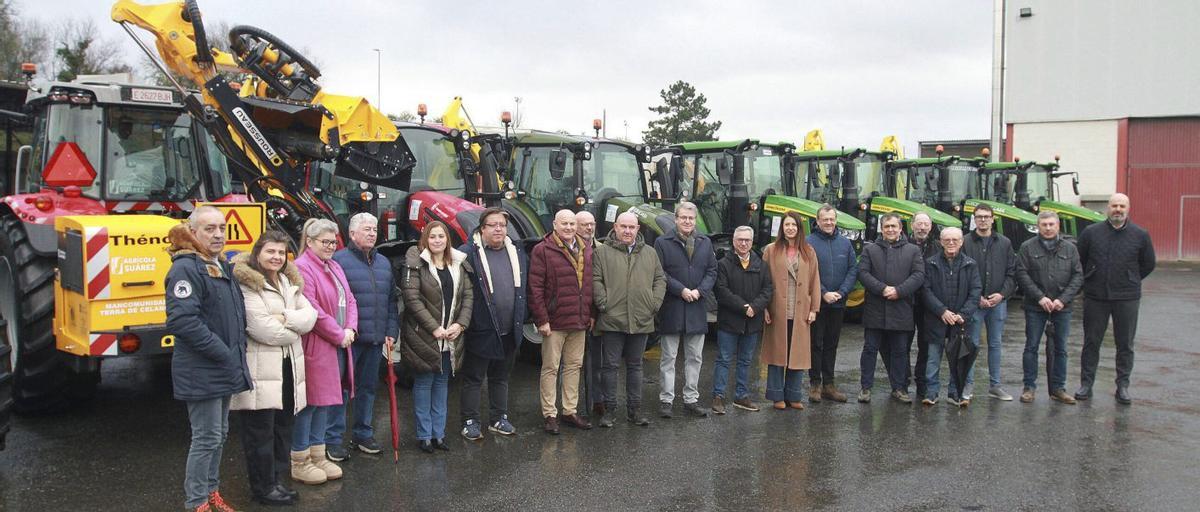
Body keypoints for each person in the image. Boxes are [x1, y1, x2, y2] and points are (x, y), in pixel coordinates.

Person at [165, 205, 252, 512]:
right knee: (206, 438)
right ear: (194, 232)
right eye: (209, 229)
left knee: (220, 434)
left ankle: (212, 492)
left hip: (223, 367)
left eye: (221, 228)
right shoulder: (186, 268)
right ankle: (197, 502)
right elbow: (182, 321)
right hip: (204, 367)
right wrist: (223, 352)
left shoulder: (218, 265)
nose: (217, 235)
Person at [230, 231, 317, 505]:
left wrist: (286, 317)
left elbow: (310, 316)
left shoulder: (288, 281)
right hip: (260, 372)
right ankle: (263, 488)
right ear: (258, 253)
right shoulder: (247, 284)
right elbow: (262, 329)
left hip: (288, 368)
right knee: (260, 434)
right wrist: (294, 328)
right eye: (271, 251)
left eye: (281, 252)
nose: (277, 257)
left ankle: (278, 482)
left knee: (282, 429)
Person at [328, 213, 400, 459]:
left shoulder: (383, 262)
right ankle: (333, 439)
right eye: (367, 229)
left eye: (374, 230)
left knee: (368, 388)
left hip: (376, 338)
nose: (372, 234)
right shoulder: (338, 261)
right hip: (349, 340)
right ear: (352, 233)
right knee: (342, 390)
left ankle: (363, 433)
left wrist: (391, 330)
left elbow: (391, 300)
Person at [398, 221, 473, 452]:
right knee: (424, 384)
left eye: (441, 236)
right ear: (425, 240)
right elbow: (412, 300)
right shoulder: (415, 263)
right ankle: (424, 436)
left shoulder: (458, 263)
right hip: (425, 336)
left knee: (442, 384)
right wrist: (434, 328)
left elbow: (468, 296)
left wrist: (460, 324)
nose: (437, 240)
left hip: (450, 337)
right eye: (432, 237)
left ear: (447, 239)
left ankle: (438, 435)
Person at [292, 218, 357, 484]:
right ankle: (300, 459)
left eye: (333, 242)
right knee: (309, 404)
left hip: (339, 343)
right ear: (310, 241)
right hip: (318, 345)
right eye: (325, 242)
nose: (331, 246)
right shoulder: (302, 267)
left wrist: (351, 328)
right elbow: (312, 309)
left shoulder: (335, 265)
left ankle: (318, 455)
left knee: (327, 402)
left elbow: (350, 300)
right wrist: (338, 333)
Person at [1076, 193, 1156, 404]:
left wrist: (1131, 278)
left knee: (1125, 344)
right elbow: (1080, 260)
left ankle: (1122, 386)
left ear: (1128, 208)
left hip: (1127, 297)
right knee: (1091, 342)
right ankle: (1086, 384)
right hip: (1096, 297)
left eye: (1122, 206)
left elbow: (1148, 263)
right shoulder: (1091, 233)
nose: (1118, 209)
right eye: (1114, 206)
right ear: (1107, 208)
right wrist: (1089, 279)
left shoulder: (1140, 235)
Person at [459, 208, 528, 440]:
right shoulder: (467, 253)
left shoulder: (516, 252)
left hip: (510, 328)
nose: (499, 229)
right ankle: (470, 422)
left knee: (501, 377)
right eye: (493, 225)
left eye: (502, 225)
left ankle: (499, 418)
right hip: (481, 329)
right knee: (474, 378)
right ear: (481, 229)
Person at [593, 211, 666, 427]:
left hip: (641, 318)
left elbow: (660, 279)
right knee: (610, 366)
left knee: (635, 366)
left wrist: (654, 304)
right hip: (612, 319)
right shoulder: (602, 253)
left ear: (638, 229)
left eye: (631, 227)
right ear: (615, 227)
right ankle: (610, 411)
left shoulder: (650, 253)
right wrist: (604, 304)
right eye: (623, 226)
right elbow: (596, 280)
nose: (627, 231)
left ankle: (635, 411)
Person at [529, 210, 595, 434]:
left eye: (571, 223)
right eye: (564, 223)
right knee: (550, 368)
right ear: (554, 225)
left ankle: (569, 410)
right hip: (554, 322)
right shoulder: (543, 250)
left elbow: (590, 285)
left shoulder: (586, 249)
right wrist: (542, 319)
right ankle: (550, 414)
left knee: (574, 367)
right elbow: (535, 288)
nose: (568, 227)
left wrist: (591, 313)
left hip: (579, 320)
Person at [655, 202, 718, 418]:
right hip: (672, 306)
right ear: (676, 219)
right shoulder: (662, 242)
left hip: (696, 307)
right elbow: (660, 273)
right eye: (683, 218)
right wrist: (681, 290)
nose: (687, 222)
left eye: (691, 218)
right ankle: (666, 400)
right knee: (669, 357)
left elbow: (712, 270)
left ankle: (691, 399)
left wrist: (700, 291)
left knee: (695, 357)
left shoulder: (705, 242)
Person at [1015, 211, 1083, 404]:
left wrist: (1062, 299)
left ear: (1058, 226)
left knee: (1061, 349)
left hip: (1062, 307)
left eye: (1051, 224)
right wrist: (1040, 297)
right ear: (1038, 226)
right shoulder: (1027, 247)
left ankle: (1058, 388)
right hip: (1035, 307)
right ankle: (1029, 387)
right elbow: (1022, 274)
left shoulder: (1070, 249)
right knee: (1031, 347)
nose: (1047, 227)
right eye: (1044, 224)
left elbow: (1078, 276)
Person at [858, 213, 925, 404]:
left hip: (901, 308)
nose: (890, 230)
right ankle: (865, 388)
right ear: (881, 228)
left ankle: (899, 388)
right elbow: (863, 273)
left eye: (894, 226)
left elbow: (919, 275)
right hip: (875, 309)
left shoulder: (912, 250)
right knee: (870, 350)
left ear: (901, 228)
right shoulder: (870, 250)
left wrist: (899, 291)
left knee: (900, 351)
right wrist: (882, 289)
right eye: (887, 226)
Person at [761, 212, 821, 410]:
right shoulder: (771, 250)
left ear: (799, 228)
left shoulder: (808, 251)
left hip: (801, 310)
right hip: (777, 309)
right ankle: (777, 395)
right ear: (782, 228)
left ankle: (794, 395)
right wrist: (764, 309)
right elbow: (763, 281)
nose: (790, 228)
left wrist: (814, 308)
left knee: (798, 354)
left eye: (794, 225)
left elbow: (815, 282)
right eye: (787, 225)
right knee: (777, 354)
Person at [712, 226, 773, 414]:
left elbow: (768, 290)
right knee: (723, 359)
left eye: (747, 240)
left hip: (752, 322)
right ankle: (718, 397)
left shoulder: (761, 264)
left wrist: (755, 307)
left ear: (752, 241)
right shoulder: (723, 264)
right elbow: (721, 291)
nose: (743, 243)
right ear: (733, 241)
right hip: (729, 321)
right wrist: (743, 307)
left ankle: (741, 396)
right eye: (740, 239)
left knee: (746, 361)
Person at [920, 227, 981, 406]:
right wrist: (942, 311)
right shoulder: (930, 263)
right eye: (947, 240)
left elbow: (976, 291)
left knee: (959, 358)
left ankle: (955, 393)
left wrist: (963, 314)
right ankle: (931, 392)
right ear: (941, 241)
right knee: (933, 359)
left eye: (955, 240)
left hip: (960, 321)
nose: (951, 243)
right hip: (936, 319)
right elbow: (925, 290)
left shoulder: (971, 264)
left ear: (962, 242)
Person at [961, 204, 1016, 401]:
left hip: (997, 303)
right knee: (971, 344)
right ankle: (967, 385)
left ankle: (995, 385)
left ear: (993, 219)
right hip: (974, 304)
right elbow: (962, 273)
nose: (983, 220)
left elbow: (1012, 273)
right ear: (974, 219)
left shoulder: (1004, 243)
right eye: (979, 217)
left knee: (995, 344)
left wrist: (1002, 295)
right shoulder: (965, 242)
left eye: (986, 217)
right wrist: (976, 298)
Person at [884, 212, 941, 399]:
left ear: (930, 227)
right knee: (902, 345)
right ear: (911, 225)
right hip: (905, 302)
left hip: (928, 304)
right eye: (919, 224)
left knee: (925, 345)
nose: (922, 228)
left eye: (926, 224)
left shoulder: (937, 248)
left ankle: (922, 382)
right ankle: (902, 382)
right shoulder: (903, 246)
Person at [806, 204, 858, 403]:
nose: (829, 222)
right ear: (817, 221)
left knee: (832, 344)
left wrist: (842, 292)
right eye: (825, 219)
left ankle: (829, 385)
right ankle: (815, 385)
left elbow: (853, 269)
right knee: (816, 343)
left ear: (836, 221)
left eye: (832, 219)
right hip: (817, 303)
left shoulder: (845, 244)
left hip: (838, 302)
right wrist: (824, 293)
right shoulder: (809, 243)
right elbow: (808, 273)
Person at [576, 210, 605, 418]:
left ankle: (597, 400)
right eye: (584, 224)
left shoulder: (602, 250)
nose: (589, 228)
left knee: (598, 361)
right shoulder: (571, 249)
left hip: (598, 314)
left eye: (592, 224)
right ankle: (571, 405)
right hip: (575, 314)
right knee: (572, 364)